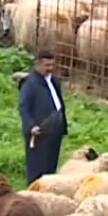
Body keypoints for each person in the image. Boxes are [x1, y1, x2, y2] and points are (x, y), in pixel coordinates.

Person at [18, 50, 68, 184]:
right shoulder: (29, 84)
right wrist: (31, 126)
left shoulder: (54, 81)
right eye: (47, 66)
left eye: (52, 65)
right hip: (39, 132)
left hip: (54, 130)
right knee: (37, 168)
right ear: (38, 65)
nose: (50, 69)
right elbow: (23, 107)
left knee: (50, 166)